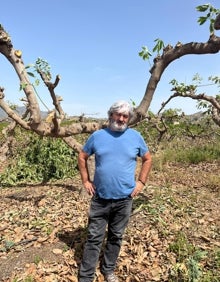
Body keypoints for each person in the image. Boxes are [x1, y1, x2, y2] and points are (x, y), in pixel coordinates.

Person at [77, 100, 152, 282]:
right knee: (95, 237)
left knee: (116, 236)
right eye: (118, 114)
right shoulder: (98, 136)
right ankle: (86, 276)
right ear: (110, 115)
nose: (121, 118)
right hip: (100, 198)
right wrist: (86, 181)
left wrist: (141, 182)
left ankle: (108, 270)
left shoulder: (135, 137)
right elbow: (82, 156)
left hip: (124, 199)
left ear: (129, 118)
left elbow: (147, 159)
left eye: (125, 115)